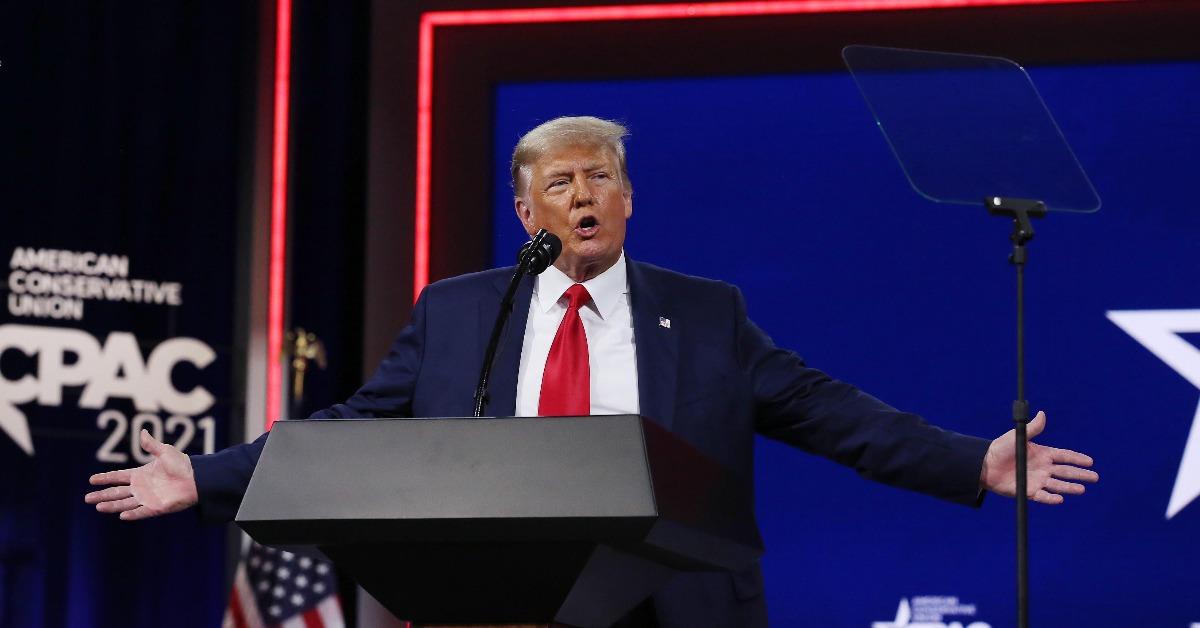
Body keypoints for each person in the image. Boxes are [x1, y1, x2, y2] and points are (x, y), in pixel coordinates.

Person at [86, 116, 1099, 627]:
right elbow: (359, 423)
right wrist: (207, 474)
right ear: (527, 211)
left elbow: (826, 411)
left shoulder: (704, 313)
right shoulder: (459, 312)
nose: (584, 196)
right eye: (561, 183)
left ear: (629, 199)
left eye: (601, 177)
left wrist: (973, 462)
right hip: (502, 606)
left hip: (677, 605)